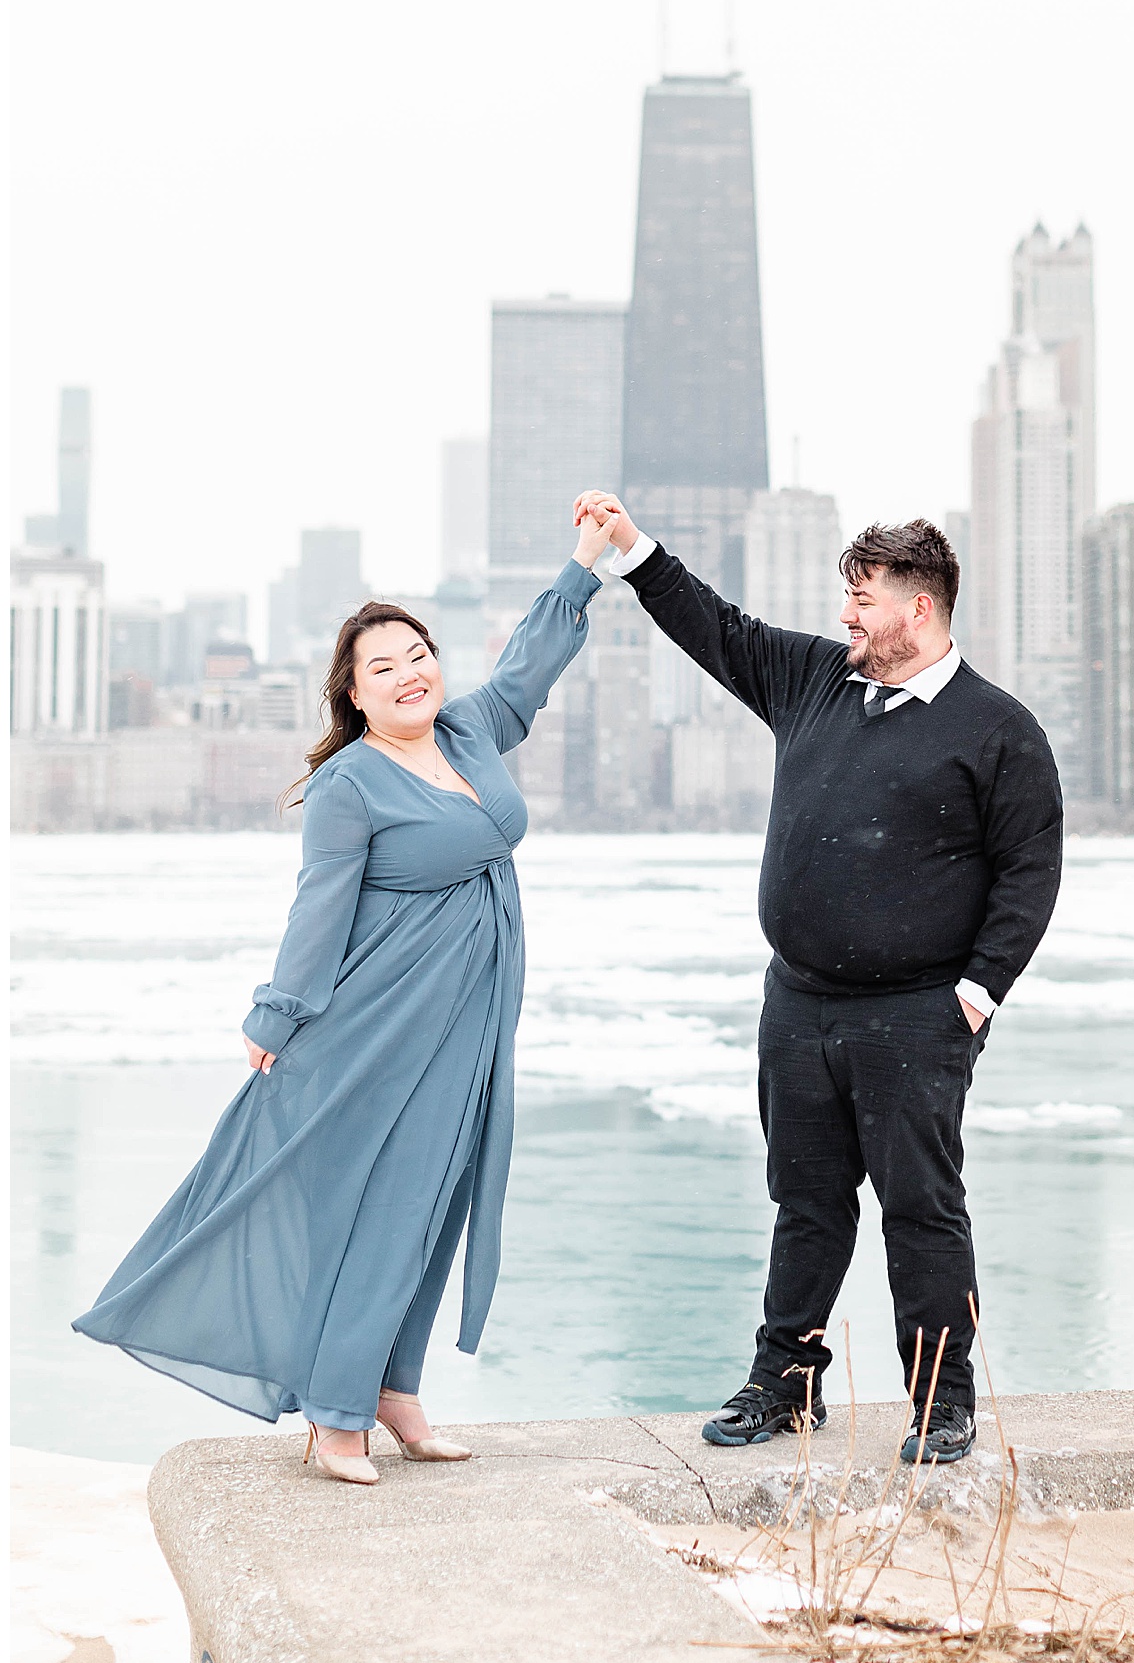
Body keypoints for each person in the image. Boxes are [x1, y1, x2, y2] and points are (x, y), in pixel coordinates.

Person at [73, 507, 618, 1485]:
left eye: (419, 653)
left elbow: (531, 663)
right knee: (384, 1204)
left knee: (436, 1198)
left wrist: (585, 561)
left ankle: (391, 1387)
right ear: (354, 693)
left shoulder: (469, 728)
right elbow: (317, 910)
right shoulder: (349, 784)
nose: (411, 672)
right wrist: (275, 1018)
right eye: (385, 666)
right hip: (375, 1026)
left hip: (467, 1018)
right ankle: (334, 1412)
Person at [576, 493, 1063, 1464]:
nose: (846, 615)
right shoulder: (812, 679)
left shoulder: (996, 730)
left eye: (863, 597)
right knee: (804, 1199)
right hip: (797, 1003)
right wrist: (631, 550)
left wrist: (973, 995)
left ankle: (940, 1399)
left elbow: (1029, 872)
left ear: (917, 609)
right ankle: (785, 1379)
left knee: (920, 1206)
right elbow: (716, 627)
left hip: (915, 1015)